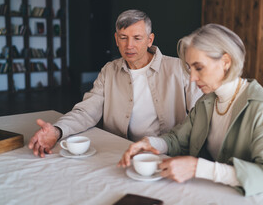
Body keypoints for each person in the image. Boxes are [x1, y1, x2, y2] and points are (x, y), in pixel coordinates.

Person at [118, 24, 263, 199]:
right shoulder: (206, 101)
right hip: (211, 193)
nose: (192, 78)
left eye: (199, 68)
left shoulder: (260, 107)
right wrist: (151, 144)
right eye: (190, 69)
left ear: (226, 62)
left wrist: (198, 168)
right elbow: (178, 138)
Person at [28, 9, 202, 158]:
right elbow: (86, 111)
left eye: (137, 38)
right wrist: (58, 130)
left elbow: (200, 116)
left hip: (165, 154)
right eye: (123, 37)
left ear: (150, 40)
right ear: (116, 39)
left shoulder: (179, 68)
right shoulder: (109, 71)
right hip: (119, 152)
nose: (129, 45)